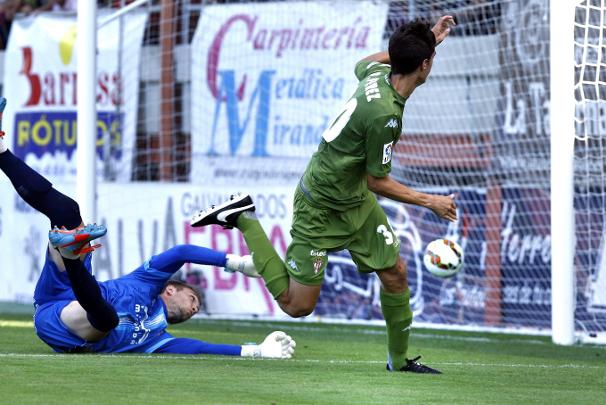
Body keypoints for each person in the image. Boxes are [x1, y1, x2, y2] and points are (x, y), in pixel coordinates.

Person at [191, 16, 457, 373]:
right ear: (423, 65)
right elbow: (378, 181)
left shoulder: (378, 74)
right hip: (320, 206)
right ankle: (244, 218)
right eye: (429, 58)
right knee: (297, 306)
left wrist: (430, 43)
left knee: (395, 272)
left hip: (356, 202)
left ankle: (399, 361)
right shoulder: (385, 117)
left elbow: (361, 63)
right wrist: (432, 202)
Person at [0, 97, 295, 357]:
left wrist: (257, 350)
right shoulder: (146, 281)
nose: (194, 308)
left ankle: (71, 255)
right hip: (61, 290)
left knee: (106, 319)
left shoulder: (157, 340)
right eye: (192, 298)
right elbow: (182, 251)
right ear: (169, 289)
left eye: (196, 307)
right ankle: (2, 150)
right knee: (68, 210)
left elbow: (202, 348)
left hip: (64, 322)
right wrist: (238, 263)